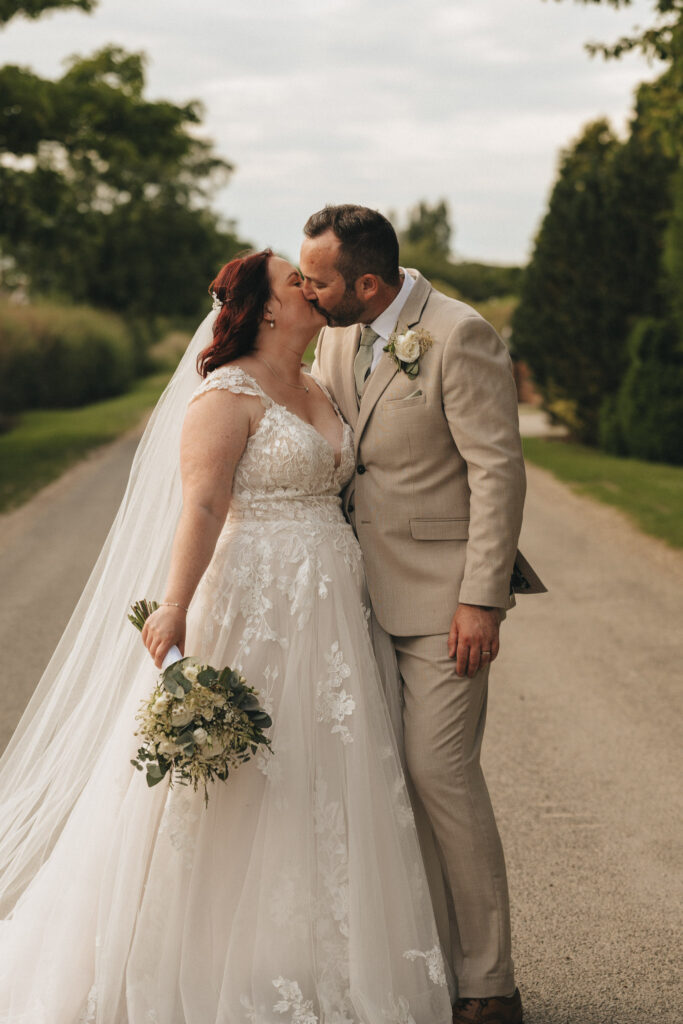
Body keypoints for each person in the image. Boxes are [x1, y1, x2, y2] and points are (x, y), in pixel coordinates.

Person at [0, 250, 454, 1023]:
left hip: (334, 607)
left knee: (324, 769)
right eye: (295, 282)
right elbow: (203, 508)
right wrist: (173, 609)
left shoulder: (318, 382)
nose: (310, 290)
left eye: (311, 281)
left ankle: (320, 957)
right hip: (254, 602)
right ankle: (203, 959)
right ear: (267, 308)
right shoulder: (223, 394)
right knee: (244, 772)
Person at [301, 205, 544, 1024]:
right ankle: (423, 964)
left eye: (319, 278)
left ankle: (489, 984)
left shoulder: (460, 335)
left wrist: (482, 598)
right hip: (349, 596)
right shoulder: (334, 333)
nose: (307, 290)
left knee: (440, 774)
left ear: (365, 283)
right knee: (382, 780)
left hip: (444, 603)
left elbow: (496, 474)